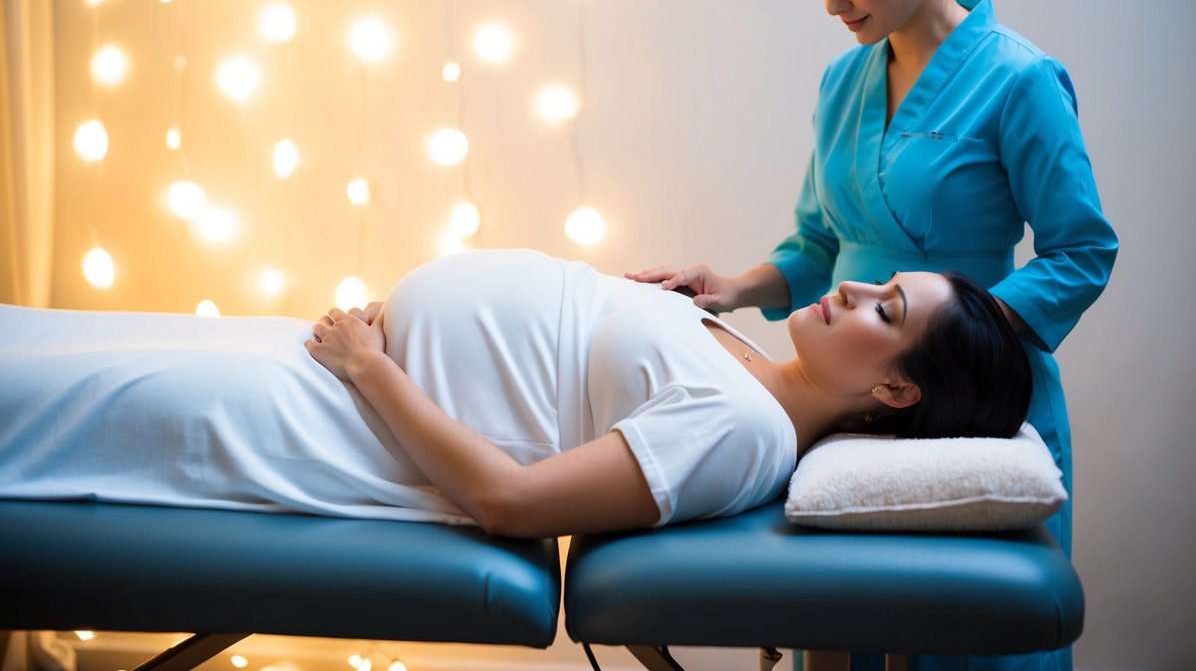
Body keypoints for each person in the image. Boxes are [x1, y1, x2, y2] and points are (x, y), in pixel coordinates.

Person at [627, 0, 1117, 669]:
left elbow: (1081, 251)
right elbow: (820, 242)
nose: (832, 3)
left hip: (968, 403)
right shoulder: (841, 83)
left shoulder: (1019, 81)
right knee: (838, 633)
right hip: (856, 393)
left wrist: (947, 336)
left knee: (959, 648)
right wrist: (729, 286)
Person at [0, 248, 1029, 540]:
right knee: (39, 345)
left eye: (885, 310)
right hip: (329, 364)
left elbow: (512, 503)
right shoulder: (741, 352)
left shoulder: (744, 430)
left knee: (36, 402)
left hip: (332, 417)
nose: (852, 287)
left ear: (895, 390)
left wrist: (371, 368)